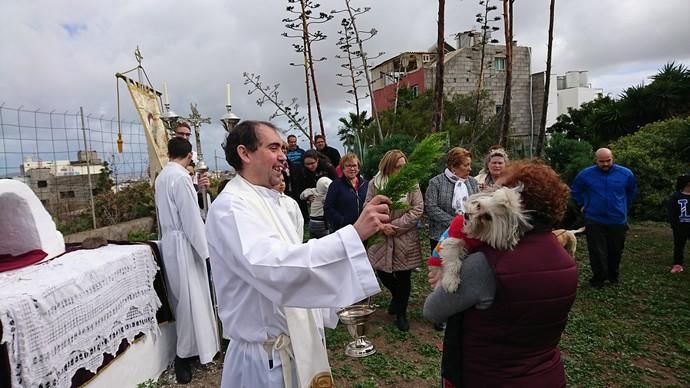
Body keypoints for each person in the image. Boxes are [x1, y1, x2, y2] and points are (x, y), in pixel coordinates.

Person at [205, 120, 391, 388]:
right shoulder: (231, 207)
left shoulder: (277, 203)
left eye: (282, 147)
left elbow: (298, 256)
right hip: (264, 360)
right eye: (273, 147)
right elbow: (275, 267)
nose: (283, 156)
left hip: (299, 340)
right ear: (245, 153)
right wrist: (352, 235)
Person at [424, 160, 578, 387]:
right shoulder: (565, 260)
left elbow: (433, 310)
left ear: (513, 204)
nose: (487, 196)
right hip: (546, 376)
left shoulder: (486, 263)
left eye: (496, 192)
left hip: (486, 376)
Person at [154, 137, 219, 384]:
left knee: (184, 298)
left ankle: (193, 350)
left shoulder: (163, 176)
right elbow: (191, 218)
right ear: (189, 155)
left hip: (171, 242)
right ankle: (186, 353)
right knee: (192, 299)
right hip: (184, 243)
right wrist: (207, 251)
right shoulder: (180, 178)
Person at [366, 149, 423, 332]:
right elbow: (368, 205)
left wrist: (396, 226)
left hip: (404, 236)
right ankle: (397, 297)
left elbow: (417, 209)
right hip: (381, 235)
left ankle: (401, 313)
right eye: (398, 167)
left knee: (404, 274)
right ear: (389, 166)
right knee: (382, 271)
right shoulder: (375, 184)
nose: (401, 170)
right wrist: (382, 226)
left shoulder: (411, 183)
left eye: (403, 166)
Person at [571, 148, 637, 288]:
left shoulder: (626, 174)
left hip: (617, 219)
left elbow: (631, 192)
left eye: (608, 161)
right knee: (596, 251)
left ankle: (613, 277)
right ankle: (598, 279)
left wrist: (623, 206)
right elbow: (575, 190)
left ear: (613, 158)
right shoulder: (585, 174)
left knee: (615, 250)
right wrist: (583, 203)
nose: (605, 164)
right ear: (596, 160)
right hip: (594, 219)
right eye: (602, 162)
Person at [425, 147, 480, 254]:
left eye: (470, 165)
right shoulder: (436, 182)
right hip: (441, 235)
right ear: (453, 166)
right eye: (466, 165)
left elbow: (478, 205)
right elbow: (431, 208)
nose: (470, 169)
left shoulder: (473, 182)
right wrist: (456, 223)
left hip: (468, 235)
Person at [324, 153, 369, 233]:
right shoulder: (335, 185)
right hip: (343, 230)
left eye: (354, 166)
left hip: (364, 228)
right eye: (348, 166)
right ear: (343, 168)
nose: (352, 168)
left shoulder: (366, 185)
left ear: (358, 168)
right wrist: (342, 221)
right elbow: (328, 208)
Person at [174, 121, 210, 191]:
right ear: (174, 134)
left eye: (187, 134)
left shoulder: (195, 156)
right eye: (181, 134)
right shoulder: (168, 155)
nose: (184, 137)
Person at [668, 173, 690, 273]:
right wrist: (674, 225)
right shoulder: (676, 196)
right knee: (679, 245)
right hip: (680, 226)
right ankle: (677, 264)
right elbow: (671, 212)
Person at [274, 173, 304, 240]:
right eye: (278, 181)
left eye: (283, 180)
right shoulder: (268, 202)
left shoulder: (291, 201)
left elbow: (299, 222)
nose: (281, 184)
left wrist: (298, 240)